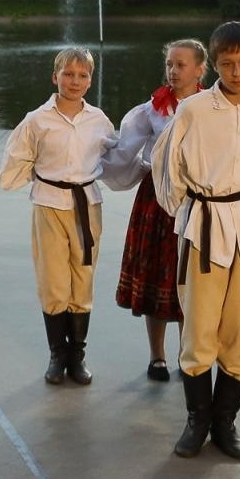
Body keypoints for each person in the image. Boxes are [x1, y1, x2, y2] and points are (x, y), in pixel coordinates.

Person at [151, 21, 240, 461]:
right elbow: (165, 162)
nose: (237, 72)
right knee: (199, 326)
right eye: (228, 64)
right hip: (204, 225)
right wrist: (182, 210)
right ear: (215, 64)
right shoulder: (193, 109)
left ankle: (226, 422)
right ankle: (197, 420)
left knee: (239, 327)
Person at [0, 47, 116, 387]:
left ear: (90, 80)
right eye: (68, 74)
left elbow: (114, 155)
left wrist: (139, 172)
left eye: (82, 75)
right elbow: (17, 154)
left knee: (83, 276)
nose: (75, 81)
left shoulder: (98, 119)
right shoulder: (38, 119)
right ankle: (57, 354)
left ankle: (77, 355)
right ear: (55, 77)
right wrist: (20, 177)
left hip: (86, 204)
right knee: (53, 280)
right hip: (49, 203)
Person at [100, 39, 208, 382]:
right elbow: (125, 151)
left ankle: (186, 354)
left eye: (181, 65)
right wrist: (89, 160)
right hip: (158, 198)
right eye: (170, 65)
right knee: (157, 274)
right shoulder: (153, 110)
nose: (174, 71)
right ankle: (157, 355)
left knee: (189, 278)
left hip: (198, 199)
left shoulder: (212, 106)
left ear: (200, 69)